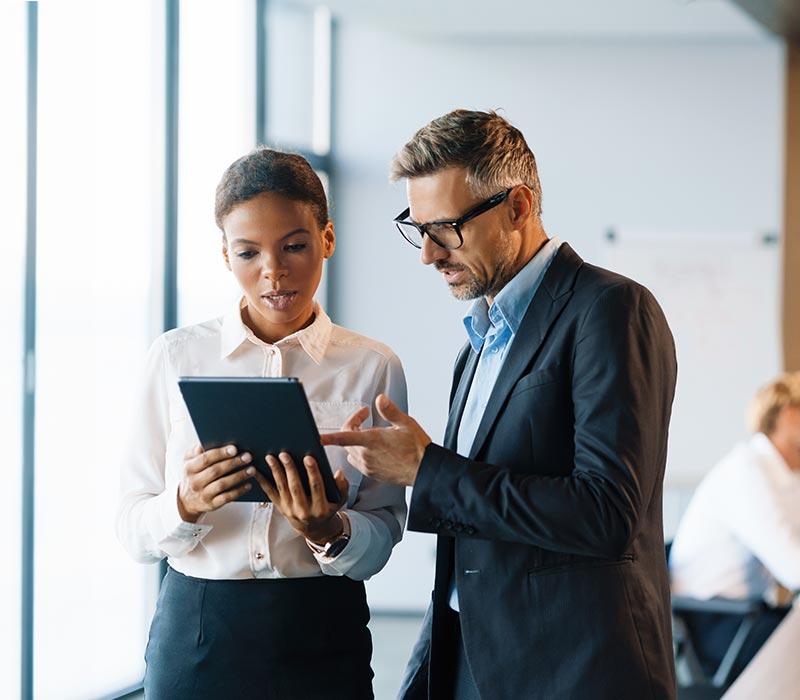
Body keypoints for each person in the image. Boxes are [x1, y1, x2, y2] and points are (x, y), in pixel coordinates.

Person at [322, 109, 678, 700]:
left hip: (575, 676)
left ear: (518, 206)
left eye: (446, 229)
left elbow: (607, 514)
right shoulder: (480, 341)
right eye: (418, 228)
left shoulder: (611, 309)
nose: (428, 256)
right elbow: (468, 555)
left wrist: (425, 469)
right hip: (473, 667)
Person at [116, 147, 407, 700]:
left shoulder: (374, 366)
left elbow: (386, 526)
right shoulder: (175, 357)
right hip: (196, 633)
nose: (273, 271)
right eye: (249, 252)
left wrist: (330, 532)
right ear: (226, 256)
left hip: (324, 633)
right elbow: (132, 527)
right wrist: (185, 504)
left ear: (327, 238)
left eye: (295, 246)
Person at [669, 372, 800, 680]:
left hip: (748, 614)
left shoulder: (787, 475)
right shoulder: (748, 471)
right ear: (787, 414)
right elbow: (794, 567)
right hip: (717, 622)